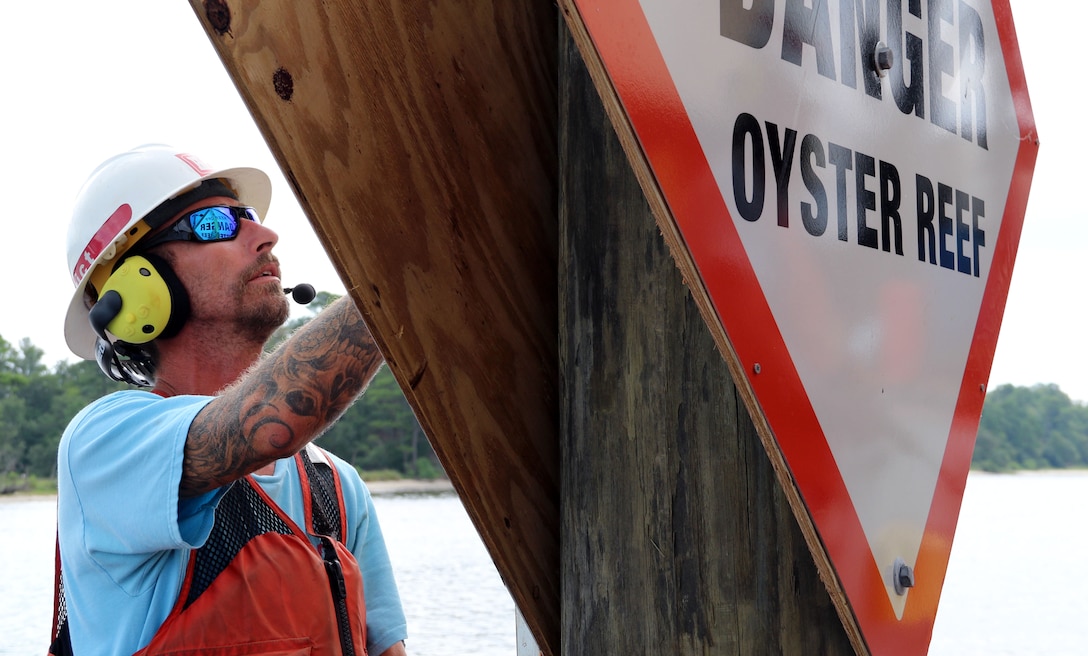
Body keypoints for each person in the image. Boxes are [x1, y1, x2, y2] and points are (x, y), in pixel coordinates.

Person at [52, 144, 409, 655]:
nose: (265, 236)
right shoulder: (104, 445)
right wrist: (403, 260)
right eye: (219, 223)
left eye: (253, 218)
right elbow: (274, 417)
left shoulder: (337, 489)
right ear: (136, 287)